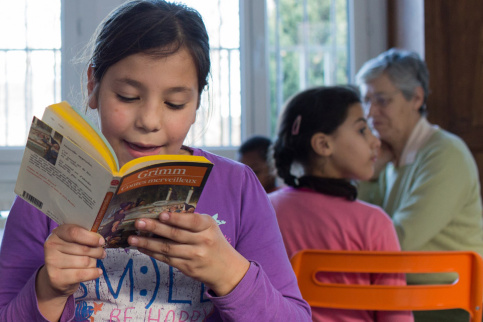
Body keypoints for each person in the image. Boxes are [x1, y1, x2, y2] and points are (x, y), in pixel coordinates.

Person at [0, 1, 311, 321]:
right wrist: (47, 290)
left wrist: (230, 272)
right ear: (93, 84)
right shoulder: (50, 185)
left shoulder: (238, 186)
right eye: (128, 97)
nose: (149, 120)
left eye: (174, 103)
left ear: (197, 101)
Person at [356, 48, 483, 322]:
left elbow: (395, 241)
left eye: (382, 100)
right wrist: (371, 173)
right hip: (401, 295)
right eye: (366, 101)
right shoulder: (390, 157)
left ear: (416, 98)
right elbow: (361, 224)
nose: (370, 112)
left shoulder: (445, 154)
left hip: (447, 301)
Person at [269, 85, 413, 322]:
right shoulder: (374, 223)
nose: (376, 141)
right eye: (362, 130)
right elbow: (396, 316)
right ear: (323, 145)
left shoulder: (265, 209)